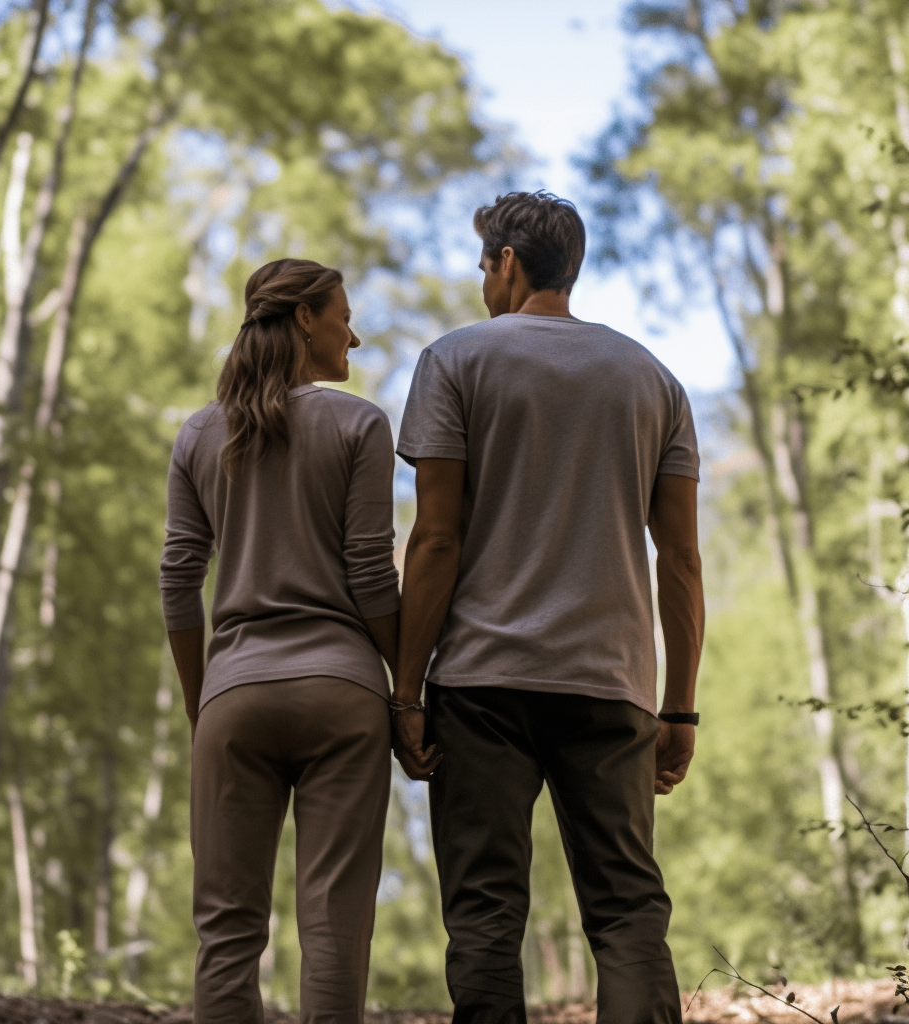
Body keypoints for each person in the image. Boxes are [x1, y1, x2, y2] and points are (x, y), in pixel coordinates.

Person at [391, 191, 704, 1024]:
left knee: (487, 916)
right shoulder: (653, 379)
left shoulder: (454, 361)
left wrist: (405, 689)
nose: (480, 280)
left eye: (482, 262)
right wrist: (681, 707)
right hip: (613, 685)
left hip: (481, 686)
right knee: (629, 910)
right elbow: (680, 560)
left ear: (509, 263)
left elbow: (436, 541)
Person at [159, 258, 400, 1024]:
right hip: (344, 696)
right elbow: (371, 577)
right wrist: (409, 686)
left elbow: (177, 581)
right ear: (305, 317)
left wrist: (206, 703)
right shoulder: (359, 424)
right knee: (334, 924)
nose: (352, 336)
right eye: (342, 316)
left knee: (226, 930)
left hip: (234, 696)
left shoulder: (199, 433)